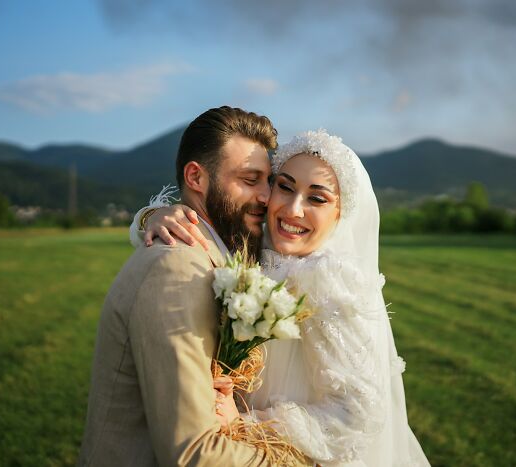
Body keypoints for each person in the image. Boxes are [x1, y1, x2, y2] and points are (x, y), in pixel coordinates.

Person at [130, 129, 431, 466]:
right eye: (284, 187)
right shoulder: (260, 253)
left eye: (317, 199)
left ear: (340, 213)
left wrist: (248, 422)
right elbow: (202, 229)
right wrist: (153, 216)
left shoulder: (332, 284)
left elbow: (355, 415)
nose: (293, 209)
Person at [77, 106, 310, 467]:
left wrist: (147, 215)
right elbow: (193, 453)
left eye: (268, 181)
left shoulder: (224, 253)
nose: (267, 197)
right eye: (250, 180)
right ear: (196, 178)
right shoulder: (176, 269)